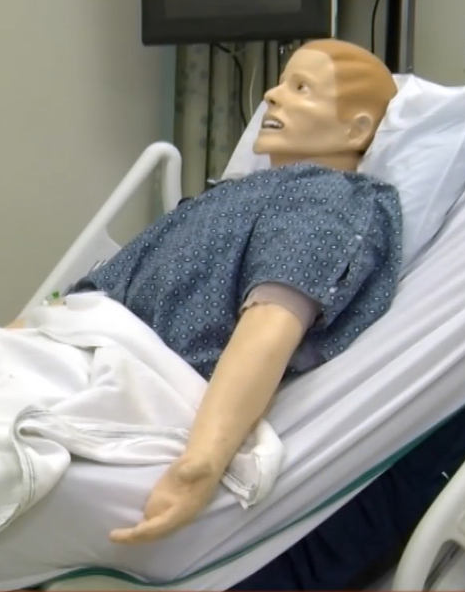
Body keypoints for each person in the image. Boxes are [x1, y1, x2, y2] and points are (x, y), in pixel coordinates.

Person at [55, 38, 403, 545]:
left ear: (357, 130)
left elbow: (270, 324)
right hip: (74, 349)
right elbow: (100, 286)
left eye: (300, 88)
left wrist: (201, 462)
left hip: (141, 380)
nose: (271, 95)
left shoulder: (332, 201)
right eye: (281, 82)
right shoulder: (230, 194)